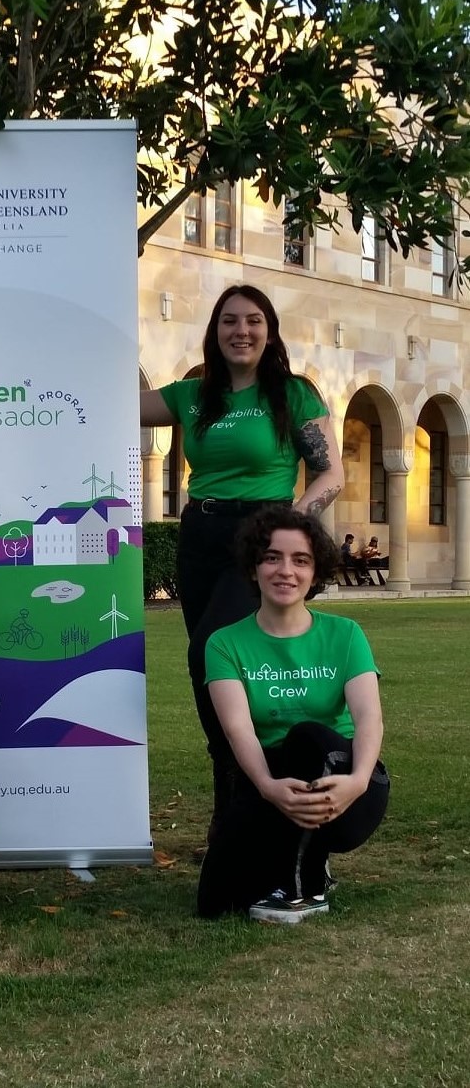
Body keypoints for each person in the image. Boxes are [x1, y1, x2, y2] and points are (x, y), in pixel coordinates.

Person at [139, 285, 344, 840]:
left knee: (212, 647)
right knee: (209, 659)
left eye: (254, 321)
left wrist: (292, 527)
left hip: (259, 534)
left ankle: (242, 779)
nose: (241, 331)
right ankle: (233, 780)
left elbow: (331, 472)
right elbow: (116, 404)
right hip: (200, 531)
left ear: (269, 331)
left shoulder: (292, 394)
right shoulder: (193, 395)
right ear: (215, 330)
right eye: (230, 321)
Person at [197, 505, 389, 923]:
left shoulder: (345, 634)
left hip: (349, 782)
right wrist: (266, 786)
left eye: (300, 560)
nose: (286, 570)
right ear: (253, 567)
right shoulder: (224, 643)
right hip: (274, 781)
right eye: (272, 557)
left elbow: (369, 717)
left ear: (315, 571)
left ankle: (305, 892)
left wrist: (357, 781)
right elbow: (237, 730)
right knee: (215, 903)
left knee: (307, 737)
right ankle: (302, 859)